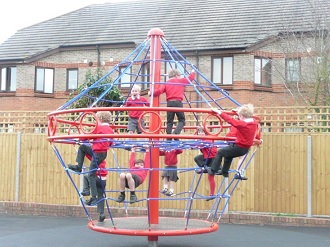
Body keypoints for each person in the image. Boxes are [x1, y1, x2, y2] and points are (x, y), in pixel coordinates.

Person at [68, 111, 114, 206]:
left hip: (98, 153)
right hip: (102, 152)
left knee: (91, 175)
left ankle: (94, 198)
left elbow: (89, 136)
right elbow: (111, 142)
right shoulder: (110, 129)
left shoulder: (99, 127)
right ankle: (78, 166)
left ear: (99, 119)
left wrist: (79, 139)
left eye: (95, 119)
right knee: (83, 147)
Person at [206, 104, 258, 178]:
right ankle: (224, 172)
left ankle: (212, 170)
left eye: (239, 116)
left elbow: (230, 120)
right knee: (228, 155)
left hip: (239, 147)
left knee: (220, 152)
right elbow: (247, 117)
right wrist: (239, 113)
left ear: (242, 117)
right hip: (245, 149)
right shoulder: (254, 122)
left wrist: (218, 112)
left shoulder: (243, 124)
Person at [149, 69, 196, 139]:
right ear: (176, 76)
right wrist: (193, 72)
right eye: (179, 76)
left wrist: (151, 92)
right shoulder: (181, 81)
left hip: (169, 103)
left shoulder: (166, 83)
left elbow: (159, 91)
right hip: (178, 102)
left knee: (169, 121)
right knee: (182, 120)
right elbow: (190, 78)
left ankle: (168, 138)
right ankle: (176, 133)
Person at [80, 155, 108, 222]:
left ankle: (87, 191)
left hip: (98, 178)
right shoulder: (103, 161)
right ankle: (102, 214)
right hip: (103, 180)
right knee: (101, 195)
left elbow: (90, 156)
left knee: (86, 177)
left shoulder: (97, 160)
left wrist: (84, 150)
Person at [194, 126, 218, 201]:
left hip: (213, 158)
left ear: (205, 133)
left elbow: (202, 144)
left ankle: (212, 194)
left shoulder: (208, 138)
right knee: (197, 158)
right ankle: (204, 169)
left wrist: (196, 143)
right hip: (206, 157)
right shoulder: (200, 140)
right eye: (199, 132)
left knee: (210, 177)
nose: (201, 134)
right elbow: (196, 144)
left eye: (202, 132)